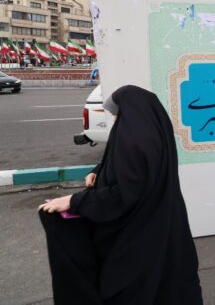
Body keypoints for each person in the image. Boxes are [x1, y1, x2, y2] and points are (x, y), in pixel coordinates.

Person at [39, 85, 203, 304]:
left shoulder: (135, 140)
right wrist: (98, 171)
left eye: (117, 113)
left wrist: (73, 201)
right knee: (165, 274)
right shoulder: (152, 131)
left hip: (138, 229)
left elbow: (124, 194)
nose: (115, 119)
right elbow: (127, 167)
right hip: (161, 217)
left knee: (130, 282)